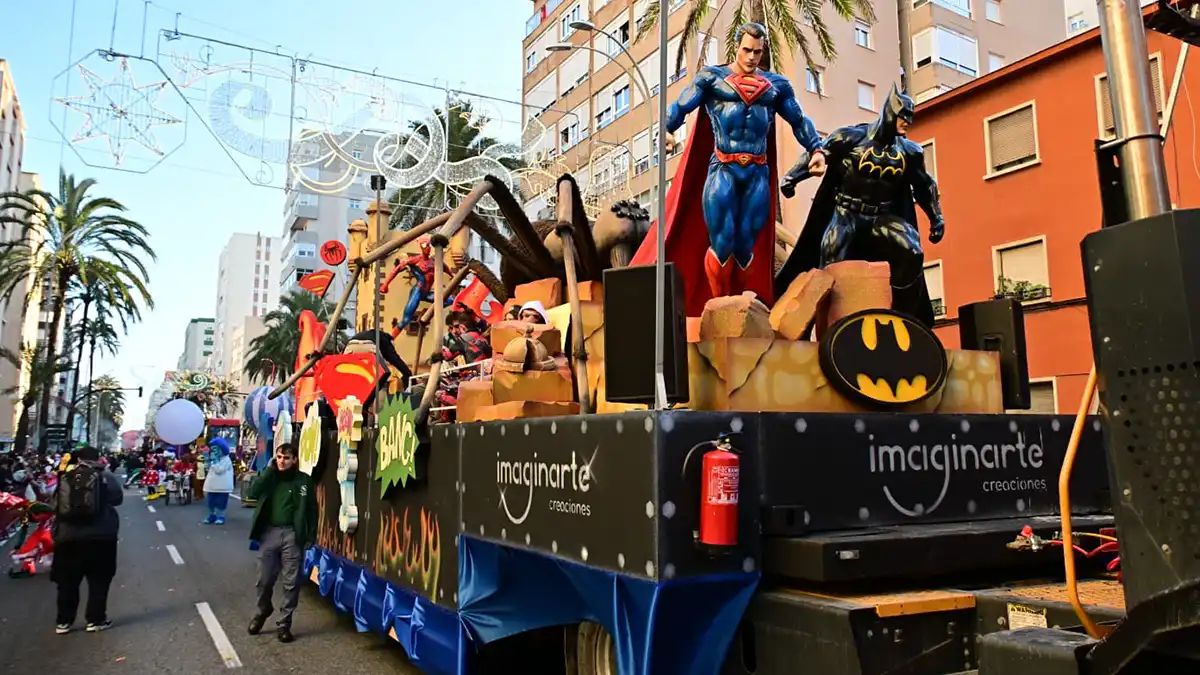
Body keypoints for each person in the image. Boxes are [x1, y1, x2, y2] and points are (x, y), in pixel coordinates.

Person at [629, 22, 825, 316]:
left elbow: (799, 120)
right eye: (747, 50)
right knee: (722, 240)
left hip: (757, 171)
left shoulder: (776, 86)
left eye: (758, 52)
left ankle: (740, 306)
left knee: (747, 243)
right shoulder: (713, 78)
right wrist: (667, 130)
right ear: (736, 46)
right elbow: (681, 106)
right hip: (723, 168)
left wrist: (816, 148)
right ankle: (720, 306)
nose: (751, 57)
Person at [777, 84, 946, 326]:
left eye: (910, 117)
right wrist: (792, 177)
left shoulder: (909, 152)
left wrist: (935, 217)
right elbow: (818, 154)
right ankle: (830, 329)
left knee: (911, 251)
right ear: (890, 112)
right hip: (846, 214)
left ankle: (903, 321)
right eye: (903, 116)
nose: (908, 122)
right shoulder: (851, 138)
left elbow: (923, 185)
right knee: (831, 263)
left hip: (881, 218)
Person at [245, 442, 317, 643]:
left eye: (286, 458)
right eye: (279, 457)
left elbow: (311, 509)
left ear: (294, 460)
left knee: (291, 582)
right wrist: (268, 470)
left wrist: (310, 535)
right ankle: (263, 610)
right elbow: (253, 492)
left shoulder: (304, 481)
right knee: (264, 580)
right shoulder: (270, 477)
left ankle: (284, 624)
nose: (282, 461)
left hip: (292, 534)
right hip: (269, 533)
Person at [51, 445, 123, 634]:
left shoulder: (65, 476)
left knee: (67, 582)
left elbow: (54, 504)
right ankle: (95, 620)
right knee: (99, 579)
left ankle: (64, 622)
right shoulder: (105, 476)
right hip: (101, 536)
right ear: (97, 458)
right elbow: (117, 499)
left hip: (68, 537)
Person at [202, 438, 235, 525]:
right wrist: (207, 459)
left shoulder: (226, 459)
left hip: (223, 487)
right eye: (212, 449)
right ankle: (212, 516)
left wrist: (215, 461)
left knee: (221, 503)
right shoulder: (213, 459)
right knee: (210, 502)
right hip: (212, 486)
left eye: (216, 449)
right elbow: (207, 468)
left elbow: (219, 470)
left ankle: (221, 516)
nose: (214, 451)